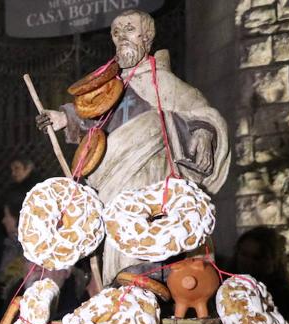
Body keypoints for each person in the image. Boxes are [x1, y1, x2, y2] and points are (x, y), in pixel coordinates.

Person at [37, 9, 229, 283]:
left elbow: (201, 112)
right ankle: (120, 304)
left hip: (148, 178)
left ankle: (144, 296)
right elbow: (91, 113)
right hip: (110, 180)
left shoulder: (163, 82)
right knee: (114, 249)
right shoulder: (109, 85)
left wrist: (202, 132)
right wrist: (62, 117)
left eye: (129, 29)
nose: (121, 37)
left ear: (147, 36)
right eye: (116, 32)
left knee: (143, 249)